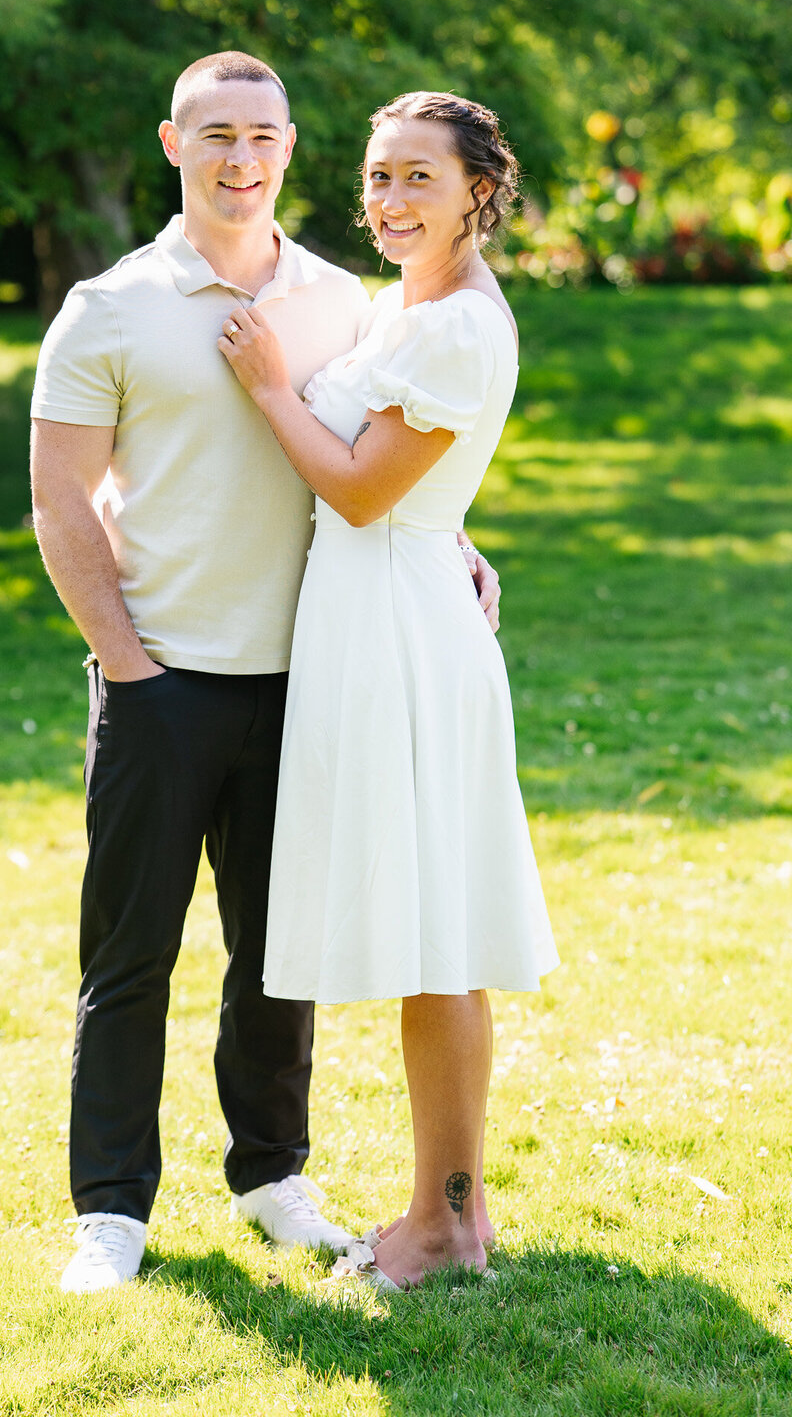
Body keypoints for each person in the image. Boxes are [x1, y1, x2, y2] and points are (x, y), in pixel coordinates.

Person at [29, 54, 502, 1293]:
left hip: (312, 680)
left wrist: (454, 538)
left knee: (275, 952)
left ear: (290, 148)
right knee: (130, 954)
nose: (242, 159)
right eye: (216, 136)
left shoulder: (347, 300)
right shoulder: (109, 307)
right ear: (174, 145)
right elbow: (59, 498)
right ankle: (112, 1212)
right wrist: (126, 664)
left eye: (264, 137)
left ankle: (271, 1176)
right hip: (161, 677)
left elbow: (380, 446)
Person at [218, 89, 559, 1291]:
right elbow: (411, 486)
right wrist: (452, 527)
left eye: (419, 175)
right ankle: (448, 1216)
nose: (391, 199)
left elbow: (362, 491)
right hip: (381, 612)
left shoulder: (456, 326)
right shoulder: (399, 313)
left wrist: (267, 386)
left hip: (407, 637)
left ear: (479, 187)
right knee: (425, 930)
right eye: (376, 176)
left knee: (439, 938)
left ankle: (444, 1225)